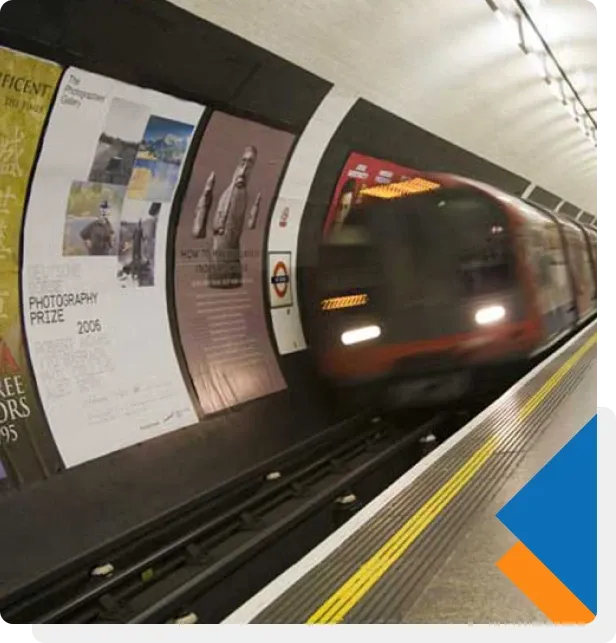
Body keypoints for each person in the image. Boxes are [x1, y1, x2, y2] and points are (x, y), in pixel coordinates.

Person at [209, 146, 259, 288]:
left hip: (226, 242)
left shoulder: (240, 193)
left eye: (250, 163)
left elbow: (233, 225)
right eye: (243, 161)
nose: (244, 169)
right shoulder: (231, 191)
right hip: (221, 241)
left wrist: (220, 227)